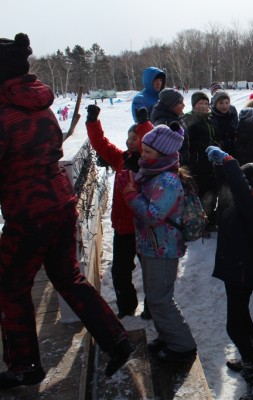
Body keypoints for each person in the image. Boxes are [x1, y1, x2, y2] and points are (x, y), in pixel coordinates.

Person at [0, 32, 134, 389]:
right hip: (60, 201)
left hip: (28, 212)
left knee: (11, 286)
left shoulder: (3, 113)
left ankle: (24, 365)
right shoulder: (39, 106)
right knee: (68, 277)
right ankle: (117, 340)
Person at [205, 146, 253, 400]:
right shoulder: (248, 200)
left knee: (235, 326)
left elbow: (237, 187)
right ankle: (252, 361)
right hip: (234, 269)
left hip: (242, 272)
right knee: (242, 319)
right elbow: (230, 187)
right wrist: (220, 167)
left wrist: (228, 160)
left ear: (252, 187)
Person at [118, 123, 197, 363]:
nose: (143, 155)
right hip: (152, 245)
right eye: (143, 150)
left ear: (163, 155)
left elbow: (153, 215)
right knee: (155, 297)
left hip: (164, 248)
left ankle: (183, 346)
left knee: (160, 299)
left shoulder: (168, 181)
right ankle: (167, 336)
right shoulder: (152, 174)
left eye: (148, 152)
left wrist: (131, 196)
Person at [86, 104, 154, 319]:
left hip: (145, 226)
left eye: (135, 138)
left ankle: (152, 307)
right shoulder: (121, 159)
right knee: (120, 271)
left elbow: (151, 139)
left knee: (150, 271)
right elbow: (101, 144)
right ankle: (126, 305)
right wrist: (93, 122)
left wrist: (144, 124)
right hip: (123, 226)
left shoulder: (150, 161)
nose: (130, 141)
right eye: (129, 138)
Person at [183, 90, 218, 232]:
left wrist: (216, 144)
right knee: (201, 193)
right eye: (200, 103)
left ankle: (210, 221)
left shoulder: (209, 118)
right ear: (194, 105)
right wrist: (203, 146)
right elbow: (189, 141)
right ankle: (200, 224)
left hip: (211, 162)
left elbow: (213, 135)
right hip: (198, 162)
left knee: (212, 191)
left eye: (205, 103)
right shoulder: (189, 118)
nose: (203, 106)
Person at [150, 88, 189, 165]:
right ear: (171, 105)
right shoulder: (165, 124)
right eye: (180, 102)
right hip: (175, 166)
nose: (184, 105)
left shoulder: (175, 117)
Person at [210, 89, 239, 156]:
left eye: (227, 103)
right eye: (221, 103)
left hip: (233, 154)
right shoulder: (211, 118)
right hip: (219, 155)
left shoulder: (231, 116)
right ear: (215, 104)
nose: (224, 106)